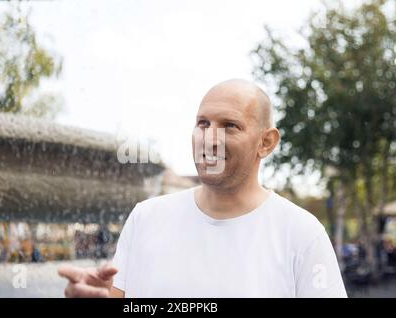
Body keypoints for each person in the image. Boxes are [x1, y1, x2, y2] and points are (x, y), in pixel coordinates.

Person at [58, 79, 347, 298]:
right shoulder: (145, 218)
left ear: (266, 142)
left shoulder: (302, 234)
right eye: (202, 123)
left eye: (230, 126)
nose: (210, 139)